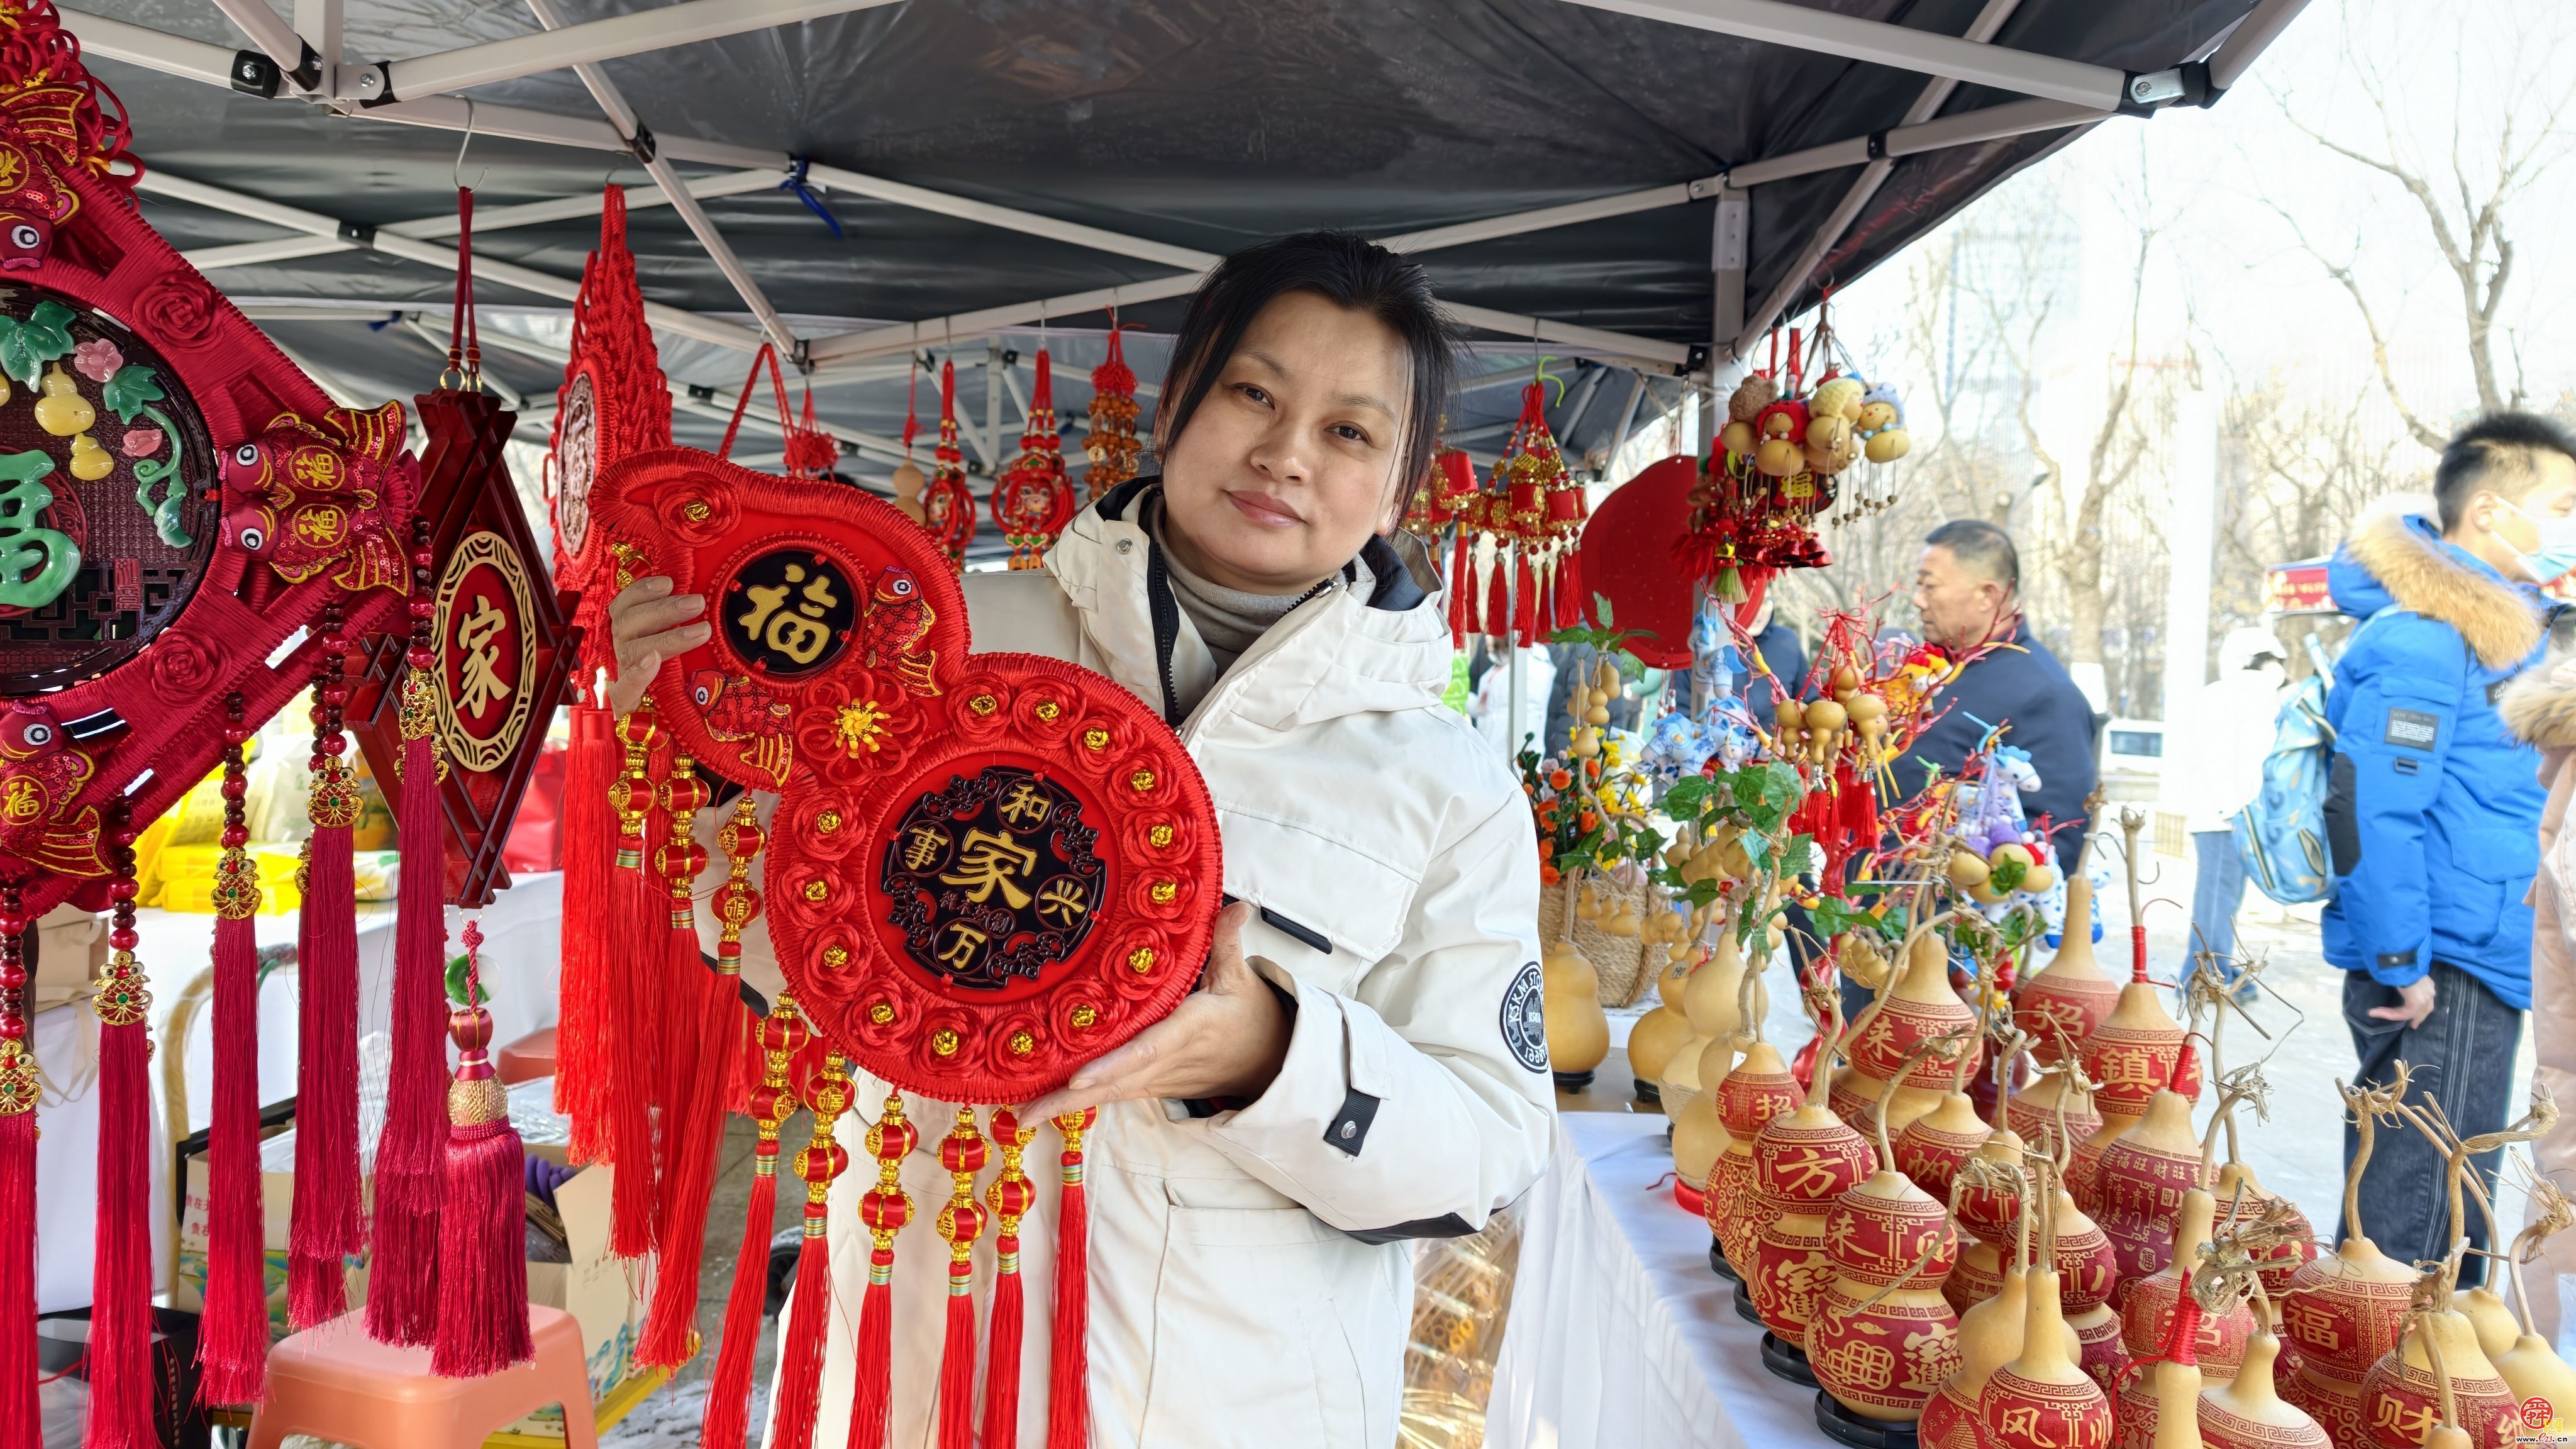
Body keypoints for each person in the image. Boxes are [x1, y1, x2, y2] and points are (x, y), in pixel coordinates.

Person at [608, 232, 1553, 1448]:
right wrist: (704, 751)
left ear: (1400, 483)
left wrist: (1271, 1056)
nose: (1284, 454)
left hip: (1242, 1398)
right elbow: (773, 954)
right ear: (1180, 396)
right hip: (919, 1360)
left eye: (1350, 431)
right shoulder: (953, 640)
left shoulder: (1444, 782)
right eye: (1253, 392)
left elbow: (1484, 1145)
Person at [2323, 412, 2576, 1286]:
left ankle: (2401, 1389)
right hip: (2441, 969)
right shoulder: (2429, 637)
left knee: (2443, 1199)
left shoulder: (2501, 635)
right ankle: (2388, 1403)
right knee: (2419, 1223)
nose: (2570, 526)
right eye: (2563, 504)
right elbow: (2372, 803)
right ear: (2493, 510)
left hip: (2475, 953)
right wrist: (2402, 961)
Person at [1891, 519, 2100, 874]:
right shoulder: (1932, 668)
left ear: (1987, 595)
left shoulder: (2046, 695)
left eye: (1930, 586)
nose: (1918, 600)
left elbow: (2054, 841)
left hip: (1940, 916)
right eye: (1919, 585)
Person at [2173, 626, 2290, 992]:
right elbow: (2222, 757)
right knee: (2217, 898)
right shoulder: (2240, 696)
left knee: (2222, 897)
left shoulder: (2234, 694)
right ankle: (2202, 977)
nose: (2280, 669)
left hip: (2229, 814)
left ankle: (2213, 971)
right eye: (2275, 661)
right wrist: (2234, 810)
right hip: (2226, 816)